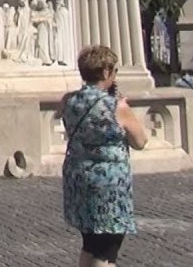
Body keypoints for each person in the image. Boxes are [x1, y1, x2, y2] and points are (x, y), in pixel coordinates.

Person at [61, 45, 148, 266]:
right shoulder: (116, 106)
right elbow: (140, 141)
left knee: (90, 242)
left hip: (78, 176)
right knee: (107, 247)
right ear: (106, 72)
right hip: (108, 182)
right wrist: (123, 106)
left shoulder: (69, 101)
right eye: (114, 70)